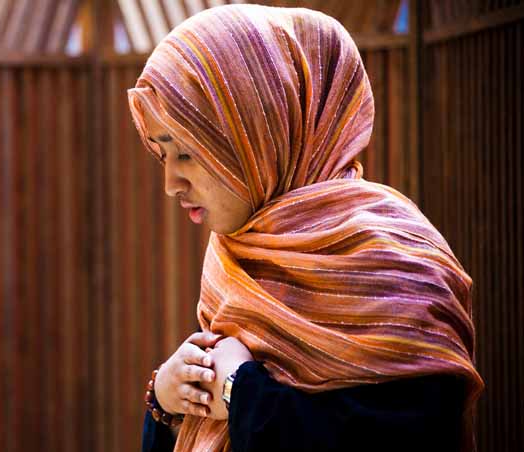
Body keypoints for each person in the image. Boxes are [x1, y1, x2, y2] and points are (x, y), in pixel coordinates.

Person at [127, 5, 483, 452]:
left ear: (258, 133)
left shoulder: (398, 261)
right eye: (163, 156)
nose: (170, 185)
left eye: (187, 153)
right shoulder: (238, 254)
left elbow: (407, 435)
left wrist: (241, 391)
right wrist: (167, 402)